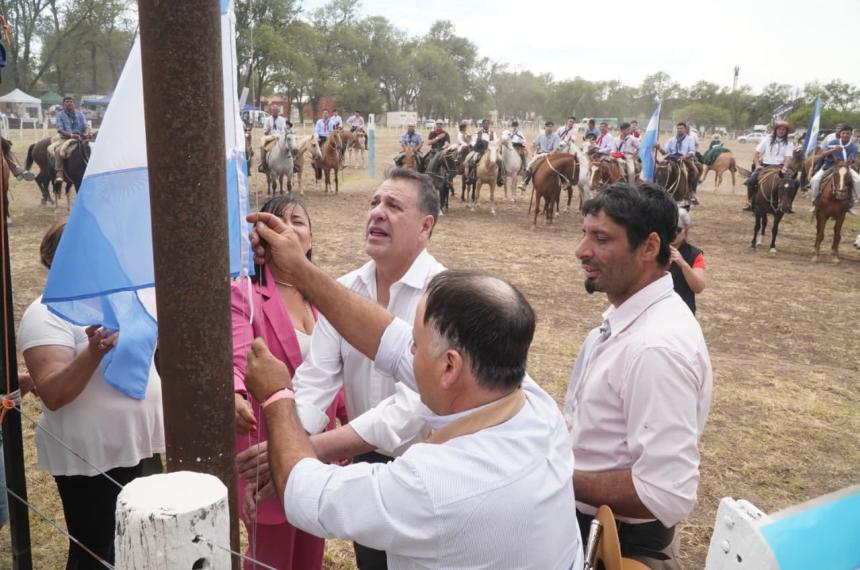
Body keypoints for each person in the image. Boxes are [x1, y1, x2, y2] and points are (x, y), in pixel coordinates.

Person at [239, 209, 584, 568]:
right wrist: (301, 271)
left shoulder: (433, 485)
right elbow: (388, 338)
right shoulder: (532, 403)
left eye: (416, 344)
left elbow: (305, 494)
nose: (409, 353)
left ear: (450, 366)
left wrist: (278, 396)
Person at [268, 168, 443, 569]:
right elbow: (315, 381)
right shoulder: (345, 290)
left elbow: (414, 406)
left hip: (425, 470)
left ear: (425, 227)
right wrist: (289, 441)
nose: (377, 213)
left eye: (393, 206)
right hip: (364, 464)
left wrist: (308, 448)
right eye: (374, 203)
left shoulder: (444, 295)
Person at [565, 183, 713, 569]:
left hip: (617, 550)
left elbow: (664, 492)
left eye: (600, 238)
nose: (582, 251)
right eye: (584, 235)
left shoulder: (655, 347)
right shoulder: (627, 324)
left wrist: (557, 475)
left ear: (649, 247)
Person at [18, 220, 164, 570]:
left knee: (145, 546)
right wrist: (93, 350)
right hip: (91, 458)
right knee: (97, 554)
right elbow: (53, 392)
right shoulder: (45, 312)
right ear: (60, 258)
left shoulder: (126, 301)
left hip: (141, 443)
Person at [231, 196, 347, 570]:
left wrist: (346, 425)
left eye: (297, 221)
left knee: (310, 557)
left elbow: (337, 373)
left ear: (310, 239)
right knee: (272, 560)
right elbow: (239, 355)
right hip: (267, 451)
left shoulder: (324, 298)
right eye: (276, 221)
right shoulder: (244, 294)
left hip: (320, 451)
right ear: (259, 237)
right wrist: (234, 392)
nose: (289, 228)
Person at [742, 121, 793, 211]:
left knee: (794, 183)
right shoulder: (767, 139)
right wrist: (757, 165)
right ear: (776, 130)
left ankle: (788, 204)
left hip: (780, 167)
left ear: (786, 131)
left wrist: (785, 168)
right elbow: (756, 153)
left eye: (784, 130)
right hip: (766, 166)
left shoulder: (789, 143)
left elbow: (788, 157)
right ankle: (750, 202)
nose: (781, 131)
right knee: (751, 181)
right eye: (780, 129)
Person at [809, 124, 859, 214]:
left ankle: (850, 203)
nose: (845, 135)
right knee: (815, 180)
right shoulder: (833, 142)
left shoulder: (853, 146)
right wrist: (833, 150)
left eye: (847, 133)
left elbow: (852, 158)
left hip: (845, 167)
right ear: (840, 134)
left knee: (858, 180)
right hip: (830, 165)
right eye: (843, 133)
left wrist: (849, 161)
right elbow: (823, 154)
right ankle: (815, 202)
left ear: (851, 134)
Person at [669, 207, 706, 314]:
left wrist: (684, 265)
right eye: (670, 228)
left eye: (678, 229)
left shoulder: (695, 254)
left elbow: (698, 287)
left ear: (686, 230)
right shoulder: (655, 249)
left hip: (682, 311)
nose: (673, 233)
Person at [48, 97, 91, 184]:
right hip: (66, 138)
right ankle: (59, 172)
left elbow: (86, 126)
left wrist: (86, 133)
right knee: (58, 150)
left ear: (73, 103)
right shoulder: (60, 115)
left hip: (81, 137)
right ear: (64, 104)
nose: (69, 103)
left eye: (71, 102)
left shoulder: (80, 114)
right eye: (67, 102)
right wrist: (71, 135)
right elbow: (60, 129)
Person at [520, 120, 560, 187]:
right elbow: (534, 144)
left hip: (551, 155)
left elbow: (556, 148)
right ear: (545, 127)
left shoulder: (555, 136)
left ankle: (563, 182)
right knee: (530, 164)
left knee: (560, 166)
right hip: (541, 155)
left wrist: (550, 153)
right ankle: (525, 182)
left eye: (551, 127)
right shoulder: (541, 135)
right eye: (548, 127)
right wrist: (532, 153)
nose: (550, 128)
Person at [465, 118, 501, 185]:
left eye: (488, 124)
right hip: (480, 150)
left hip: (490, 151)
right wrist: (474, 145)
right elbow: (473, 141)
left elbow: (495, 141)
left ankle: (500, 178)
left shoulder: (493, 133)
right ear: (483, 125)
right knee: (471, 159)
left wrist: (493, 146)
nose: (487, 125)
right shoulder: (478, 132)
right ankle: (470, 177)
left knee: (500, 160)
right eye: (485, 124)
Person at [259, 105, 290, 174]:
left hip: (280, 136)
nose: (274, 112)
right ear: (271, 111)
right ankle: (263, 163)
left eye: (276, 110)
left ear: (278, 111)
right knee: (262, 145)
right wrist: (267, 131)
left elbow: (283, 129)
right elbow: (265, 129)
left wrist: (280, 134)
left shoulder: (282, 120)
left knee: (291, 144)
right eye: (273, 110)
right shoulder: (267, 119)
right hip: (271, 136)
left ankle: (293, 163)